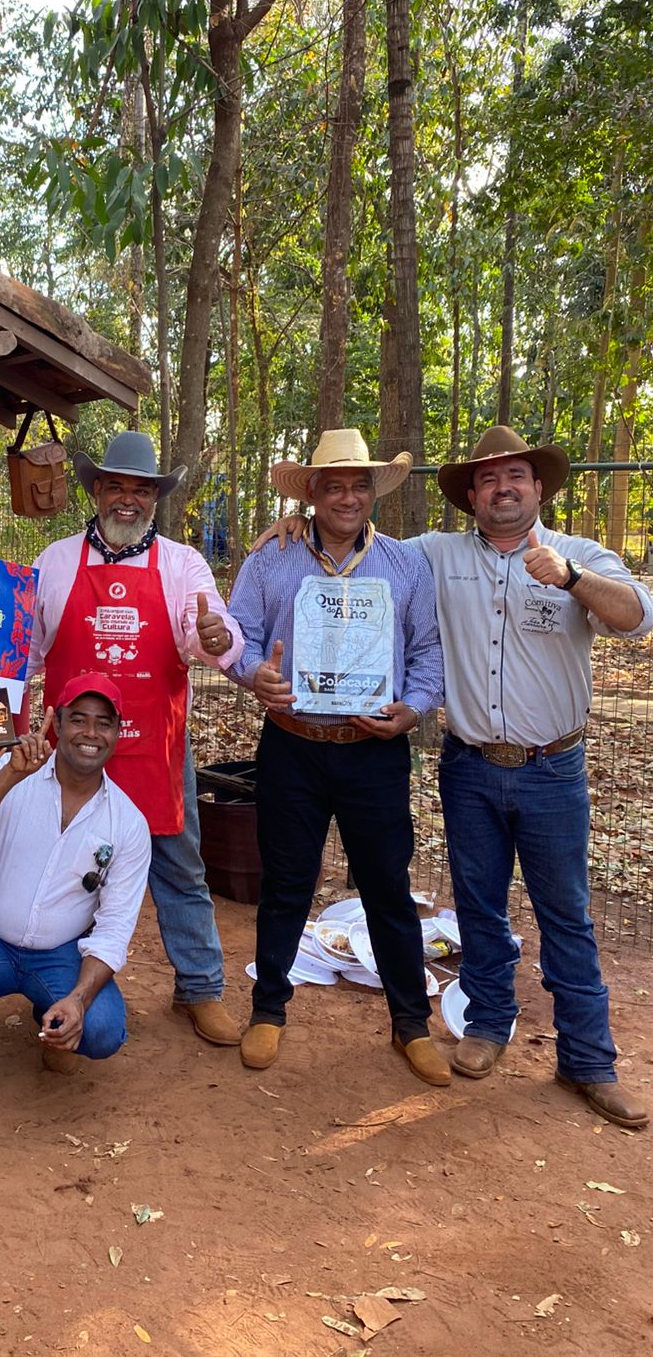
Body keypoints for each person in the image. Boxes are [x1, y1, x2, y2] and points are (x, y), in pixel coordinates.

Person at [421, 428, 652, 1127]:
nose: (504, 488)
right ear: (471, 496)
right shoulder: (436, 555)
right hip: (469, 766)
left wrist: (573, 579)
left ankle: (589, 1060)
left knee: (566, 915)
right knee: (479, 906)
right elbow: (359, 548)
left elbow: (638, 617)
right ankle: (489, 1023)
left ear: (539, 487)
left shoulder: (580, 554)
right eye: (489, 479)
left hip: (553, 769)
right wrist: (295, 524)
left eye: (516, 475)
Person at [225, 429, 448, 1085]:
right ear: (313, 495)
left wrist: (414, 708)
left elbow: (428, 651)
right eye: (334, 486)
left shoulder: (405, 565)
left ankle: (411, 1024)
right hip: (292, 745)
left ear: (372, 493)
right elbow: (239, 635)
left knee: (386, 886)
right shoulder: (271, 559)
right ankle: (268, 1009)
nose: (347, 498)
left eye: (358, 485)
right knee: (285, 882)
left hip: (373, 751)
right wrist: (253, 675)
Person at [26, 431, 244, 1046]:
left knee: (180, 870)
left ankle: (200, 987)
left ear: (155, 499)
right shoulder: (54, 561)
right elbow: (26, 652)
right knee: (64, 873)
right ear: (97, 490)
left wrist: (218, 638)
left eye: (141, 491)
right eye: (116, 486)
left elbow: (209, 630)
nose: (128, 499)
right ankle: (55, 994)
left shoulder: (181, 564)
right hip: (70, 753)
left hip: (154, 747)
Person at [0, 674, 151, 1117]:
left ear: (116, 734)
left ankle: (55, 1018)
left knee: (101, 1030)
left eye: (103, 723)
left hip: (60, 954)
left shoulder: (128, 822)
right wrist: (10, 774)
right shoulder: (10, 770)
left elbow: (115, 927)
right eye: (78, 719)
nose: (90, 733)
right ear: (56, 723)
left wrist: (78, 998)